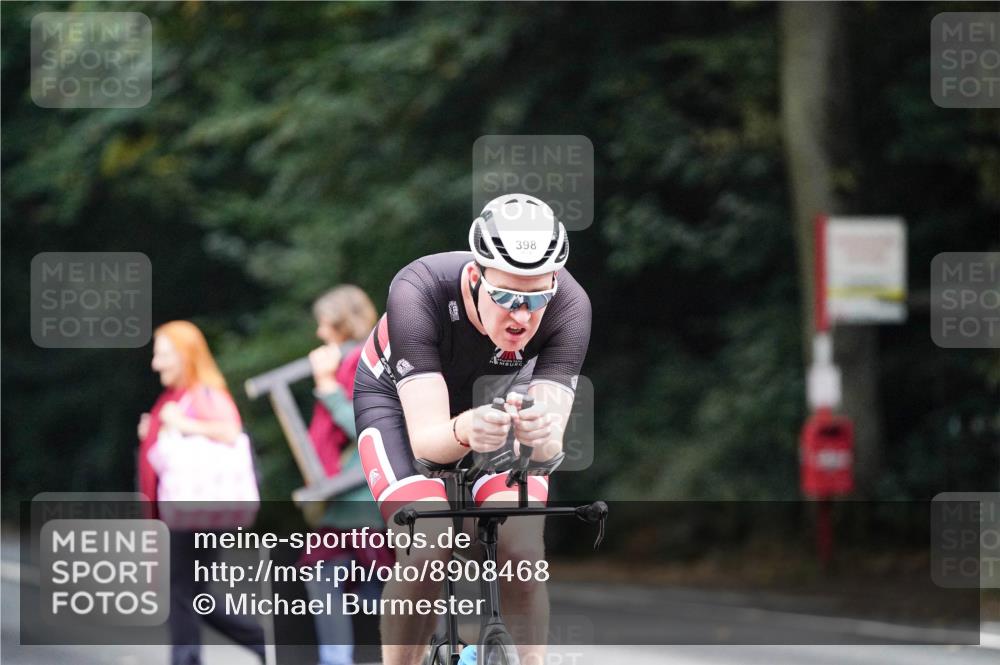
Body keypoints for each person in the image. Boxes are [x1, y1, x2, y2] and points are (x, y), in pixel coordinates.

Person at [353, 194, 591, 665]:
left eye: (536, 299)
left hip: (499, 396)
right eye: (506, 297)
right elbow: (428, 444)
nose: (521, 316)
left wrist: (539, 432)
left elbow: (548, 449)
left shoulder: (570, 305)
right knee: (428, 545)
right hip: (399, 401)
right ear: (475, 276)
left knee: (521, 550)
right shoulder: (418, 289)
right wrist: (465, 430)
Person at [137, 320, 266, 665]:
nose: (156, 364)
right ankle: (265, 645)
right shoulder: (177, 396)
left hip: (195, 508)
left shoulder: (204, 393)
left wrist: (182, 425)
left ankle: (191, 659)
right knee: (192, 593)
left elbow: (230, 431)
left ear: (185, 355)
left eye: (163, 355)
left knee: (182, 590)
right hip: (186, 508)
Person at [299, 285, 391, 665]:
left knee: (331, 575)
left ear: (342, 322)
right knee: (364, 584)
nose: (320, 333)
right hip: (354, 498)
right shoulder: (357, 358)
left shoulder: (364, 361)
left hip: (362, 497)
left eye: (325, 323)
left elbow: (369, 429)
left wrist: (326, 388)